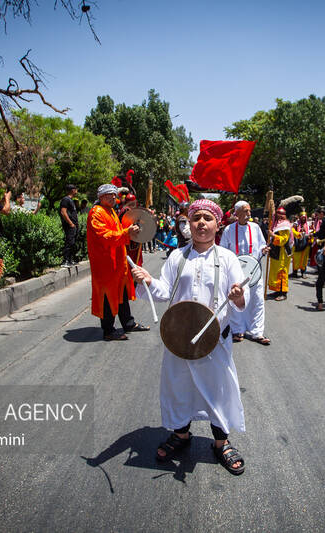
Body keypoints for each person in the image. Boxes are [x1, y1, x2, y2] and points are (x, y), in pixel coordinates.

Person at [130, 199, 248, 475]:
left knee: (217, 392)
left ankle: (221, 442)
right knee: (178, 389)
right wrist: (147, 280)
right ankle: (181, 436)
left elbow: (242, 295)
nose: (201, 224)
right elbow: (163, 292)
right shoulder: (177, 257)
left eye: (208, 218)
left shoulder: (228, 258)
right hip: (179, 341)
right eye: (196, 219)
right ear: (188, 224)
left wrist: (239, 295)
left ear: (218, 224)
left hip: (214, 341)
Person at [86, 183, 149, 341]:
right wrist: (126, 232)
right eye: (109, 195)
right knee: (107, 296)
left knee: (122, 293)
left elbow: (120, 232)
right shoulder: (96, 213)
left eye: (114, 195)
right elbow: (105, 235)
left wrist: (134, 229)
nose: (113, 197)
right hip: (105, 264)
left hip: (118, 262)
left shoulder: (111, 212)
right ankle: (108, 330)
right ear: (100, 197)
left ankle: (128, 323)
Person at [220, 200, 270, 345]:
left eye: (249, 211)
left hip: (254, 272)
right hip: (236, 273)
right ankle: (238, 330)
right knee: (237, 301)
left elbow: (261, 245)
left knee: (257, 301)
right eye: (246, 211)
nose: (249, 214)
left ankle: (257, 332)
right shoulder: (229, 230)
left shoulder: (255, 228)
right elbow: (223, 250)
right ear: (238, 213)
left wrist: (264, 250)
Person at [267, 207, 293, 301]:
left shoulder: (285, 225)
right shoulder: (276, 224)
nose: (280, 216)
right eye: (278, 214)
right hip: (275, 251)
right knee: (274, 272)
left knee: (281, 272)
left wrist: (273, 235)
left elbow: (283, 240)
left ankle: (283, 293)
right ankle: (277, 291)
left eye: (282, 214)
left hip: (282, 253)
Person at [60, 184, 79, 267]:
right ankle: (65, 261)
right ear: (72, 190)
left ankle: (70, 260)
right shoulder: (65, 199)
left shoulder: (71, 200)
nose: (77, 191)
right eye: (76, 189)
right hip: (69, 226)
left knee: (73, 243)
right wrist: (71, 223)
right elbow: (63, 212)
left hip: (73, 226)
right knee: (69, 242)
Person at [291, 211, 312, 278]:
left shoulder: (309, 224)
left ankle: (303, 272)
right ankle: (295, 272)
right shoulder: (296, 224)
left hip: (306, 244)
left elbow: (313, 231)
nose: (303, 219)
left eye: (304, 217)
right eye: (302, 217)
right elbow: (292, 231)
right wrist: (298, 234)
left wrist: (310, 235)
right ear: (300, 217)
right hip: (297, 244)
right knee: (296, 258)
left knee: (304, 259)